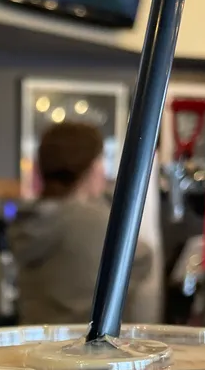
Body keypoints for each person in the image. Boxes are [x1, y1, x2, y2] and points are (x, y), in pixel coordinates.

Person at [9, 121, 152, 326]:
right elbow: (142, 259)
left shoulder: (28, 217)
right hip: (86, 351)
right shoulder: (95, 222)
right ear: (92, 167)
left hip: (36, 346)